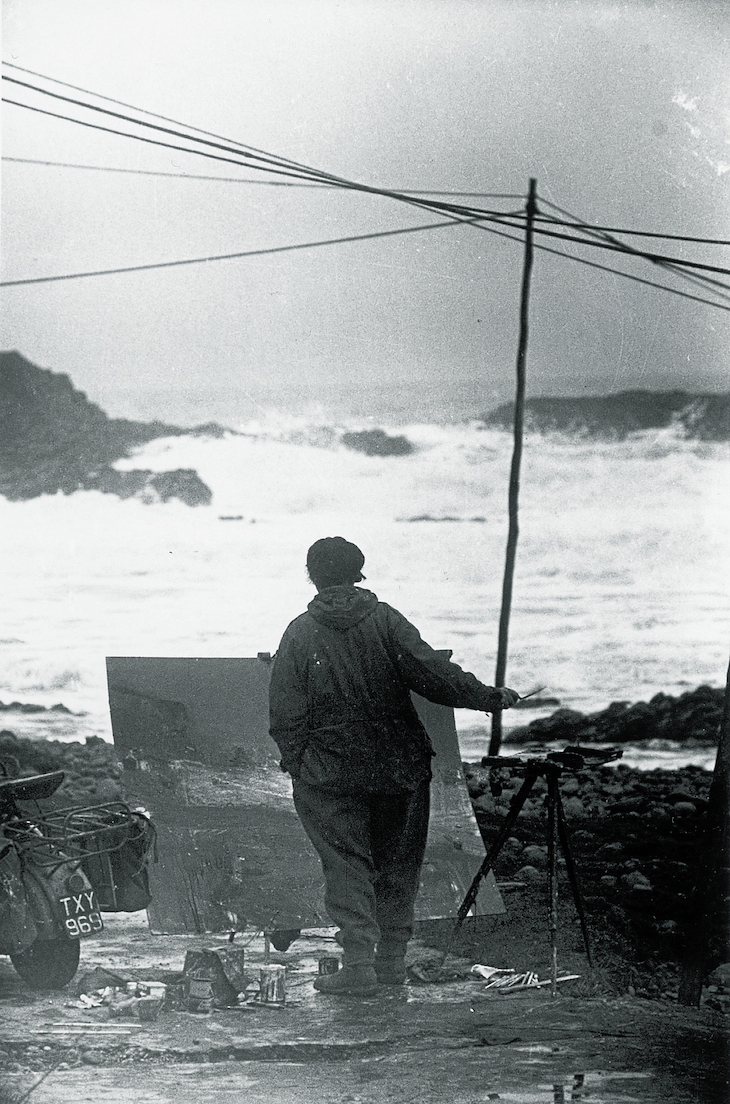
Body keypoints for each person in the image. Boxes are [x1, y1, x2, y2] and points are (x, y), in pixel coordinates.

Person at [268, 537, 520, 996]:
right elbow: (435, 677)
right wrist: (488, 697)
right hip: (399, 767)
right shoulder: (386, 621)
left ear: (312, 575)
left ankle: (360, 967)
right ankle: (390, 964)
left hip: (330, 774)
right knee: (398, 866)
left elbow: (286, 713)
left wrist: (301, 764)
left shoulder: (299, 633)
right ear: (359, 573)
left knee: (346, 866)